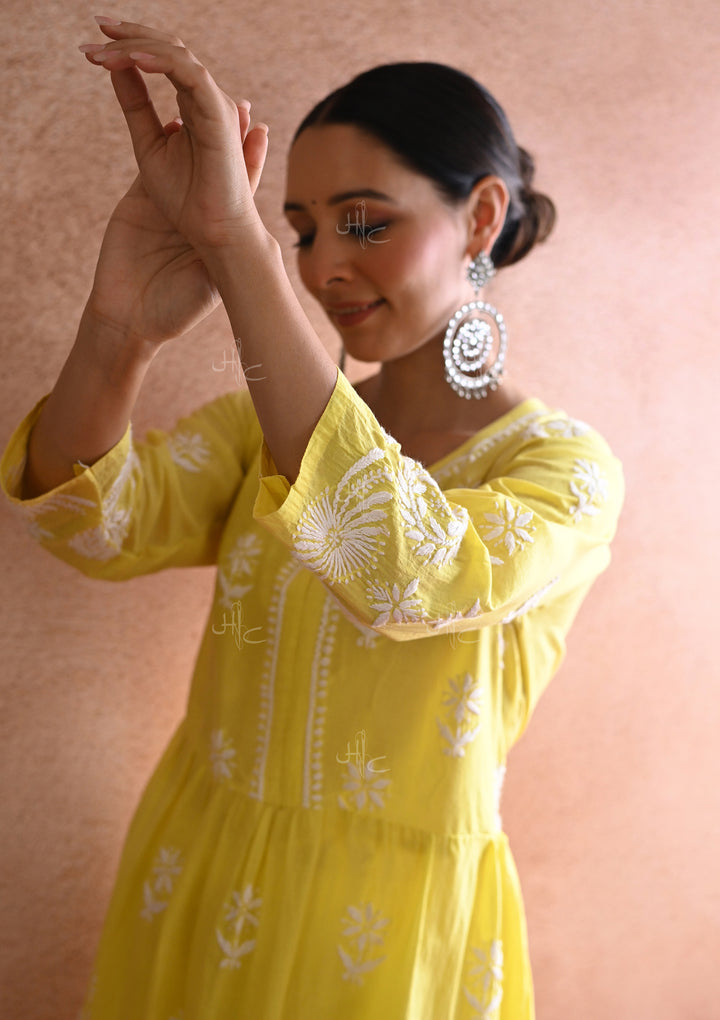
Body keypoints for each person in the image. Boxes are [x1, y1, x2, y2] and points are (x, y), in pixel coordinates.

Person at [1, 17, 624, 1020]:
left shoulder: (563, 474)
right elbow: (88, 522)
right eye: (298, 231)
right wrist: (119, 328)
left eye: (364, 224)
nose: (321, 264)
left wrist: (235, 243)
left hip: (386, 938)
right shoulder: (260, 434)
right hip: (200, 881)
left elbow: (407, 574)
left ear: (480, 218)